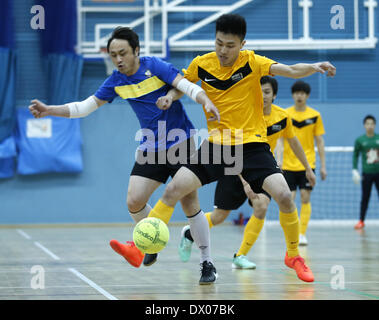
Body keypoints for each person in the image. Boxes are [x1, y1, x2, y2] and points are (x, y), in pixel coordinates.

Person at [115, 13, 336, 284]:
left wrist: (314, 66)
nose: (223, 50)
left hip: (253, 145)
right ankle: (140, 248)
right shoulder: (202, 63)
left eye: (230, 45)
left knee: (285, 196)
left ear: (242, 43)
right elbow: (183, 85)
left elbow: (290, 70)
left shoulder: (254, 62)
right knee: (173, 190)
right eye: (219, 43)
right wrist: (170, 97)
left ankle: (292, 255)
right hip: (217, 145)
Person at [28, 27, 221, 282]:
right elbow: (85, 107)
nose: (118, 59)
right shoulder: (116, 81)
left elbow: (185, 85)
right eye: (113, 55)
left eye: (123, 53)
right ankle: (150, 241)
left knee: (190, 204)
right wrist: (50, 109)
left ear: (136, 51)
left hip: (180, 142)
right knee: (134, 200)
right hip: (151, 147)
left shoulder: (155, 66)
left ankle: (207, 263)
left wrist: (204, 99)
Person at [178, 76, 316, 272]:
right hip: (234, 168)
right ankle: (189, 233)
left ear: (274, 95)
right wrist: (245, 182)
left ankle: (241, 255)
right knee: (219, 216)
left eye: (267, 92)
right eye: (259, 91)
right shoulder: (244, 115)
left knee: (261, 206)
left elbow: (293, 142)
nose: (263, 96)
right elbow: (237, 152)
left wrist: (308, 169)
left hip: (262, 170)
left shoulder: (282, 117)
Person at [281, 81, 326, 246]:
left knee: (305, 197)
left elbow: (320, 142)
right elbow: (280, 139)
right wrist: (278, 159)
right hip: (287, 164)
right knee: (289, 199)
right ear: (293, 95)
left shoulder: (315, 116)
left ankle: (301, 233)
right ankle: (290, 233)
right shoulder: (285, 114)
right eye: (296, 93)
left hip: (308, 164)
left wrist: (322, 166)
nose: (299, 96)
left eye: (303, 93)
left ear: (307, 95)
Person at [352, 115, 379, 229]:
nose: (369, 126)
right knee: (365, 197)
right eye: (367, 124)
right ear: (364, 125)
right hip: (366, 174)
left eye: (371, 124)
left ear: (375, 125)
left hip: (378, 173)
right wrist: (355, 170)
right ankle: (361, 221)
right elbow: (355, 156)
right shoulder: (360, 140)